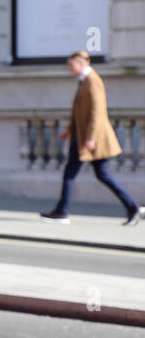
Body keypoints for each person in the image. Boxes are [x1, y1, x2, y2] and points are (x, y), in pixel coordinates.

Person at [41, 50, 145, 226]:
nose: (69, 68)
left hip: (90, 139)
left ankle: (62, 211)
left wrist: (90, 138)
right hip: (82, 136)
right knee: (99, 174)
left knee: (74, 173)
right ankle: (132, 206)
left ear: (81, 64)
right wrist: (69, 129)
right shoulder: (84, 81)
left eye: (71, 64)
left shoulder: (92, 81)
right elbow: (78, 111)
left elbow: (97, 112)